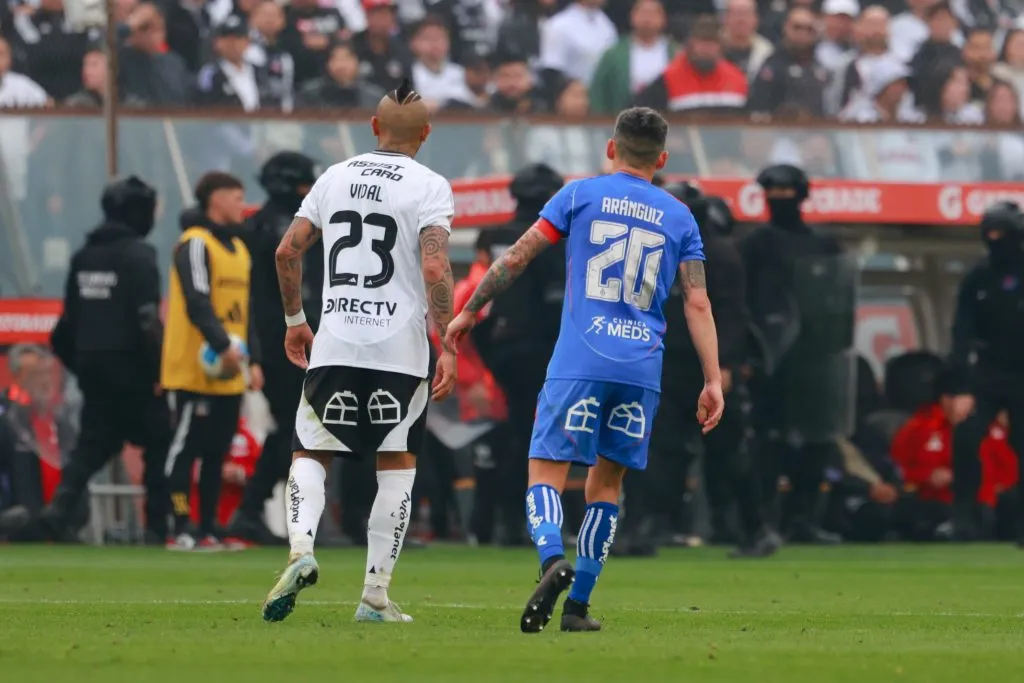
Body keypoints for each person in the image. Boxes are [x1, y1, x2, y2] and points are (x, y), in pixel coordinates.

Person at [445, 107, 725, 632]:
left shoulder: (578, 195)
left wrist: (469, 310)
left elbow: (516, 257)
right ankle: (578, 608)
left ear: (610, 148)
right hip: (641, 367)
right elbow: (698, 303)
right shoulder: (680, 216)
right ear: (661, 159)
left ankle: (553, 559)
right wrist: (712, 378)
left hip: (580, 360)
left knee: (546, 470)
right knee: (607, 483)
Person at [261, 79, 457, 623]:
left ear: (373, 128)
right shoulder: (430, 185)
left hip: (335, 341)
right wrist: (449, 342)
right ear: (426, 134)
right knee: (395, 467)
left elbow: (286, 252)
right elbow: (436, 267)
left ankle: (301, 550)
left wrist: (296, 321)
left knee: (310, 454)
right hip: (399, 350)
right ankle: (374, 596)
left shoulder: (333, 176)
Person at [36, 177, 169, 543]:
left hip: (95, 374)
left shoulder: (84, 256)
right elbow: (147, 321)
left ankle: (59, 513)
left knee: (89, 449)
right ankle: (159, 526)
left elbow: (63, 330)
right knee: (160, 444)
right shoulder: (140, 255)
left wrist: (85, 366)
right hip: (137, 372)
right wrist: (161, 372)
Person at [740, 164, 857, 545]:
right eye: (772, 193)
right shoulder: (754, 245)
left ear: (803, 194)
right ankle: (764, 522)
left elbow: (840, 303)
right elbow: (744, 304)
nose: (779, 200)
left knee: (818, 440)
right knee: (767, 442)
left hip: (817, 357)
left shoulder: (826, 246)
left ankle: (804, 520)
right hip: (771, 358)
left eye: (787, 192)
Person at [162, 172, 264, 552]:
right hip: (193, 370)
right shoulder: (193, 244)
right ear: (216, 199)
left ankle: (208, 526)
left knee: (216, 452)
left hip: (230, 370)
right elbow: (197, 301)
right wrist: (222, 345)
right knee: (184, 448)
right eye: (237, 196)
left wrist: (252, 359)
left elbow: (246, 312)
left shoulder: (239, 249)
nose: (242, 205)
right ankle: (180, 523)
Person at [469, 162, 565, 546]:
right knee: (533, 437)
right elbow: (555, 299)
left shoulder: (494, 235)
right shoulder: (552, 238)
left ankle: (493, 519)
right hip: (538, 348)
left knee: (512, 431)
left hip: (498, 347)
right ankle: (519, 520)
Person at [229, 152, 320, 546]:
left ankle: (256, 508)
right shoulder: (290, 229)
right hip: (290, 339)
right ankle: (253, 508)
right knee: (296, 425)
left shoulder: (252, 227)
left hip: (271, 340)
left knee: (296, 425)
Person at [947, 201, 1024, 544]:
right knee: (966, 437)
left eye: (1002, 233)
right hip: (989, 370)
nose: (995, 239)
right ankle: (965, 517)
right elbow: (961, 333)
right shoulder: (977, 277)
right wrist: (959, 385)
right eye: (990, 233)